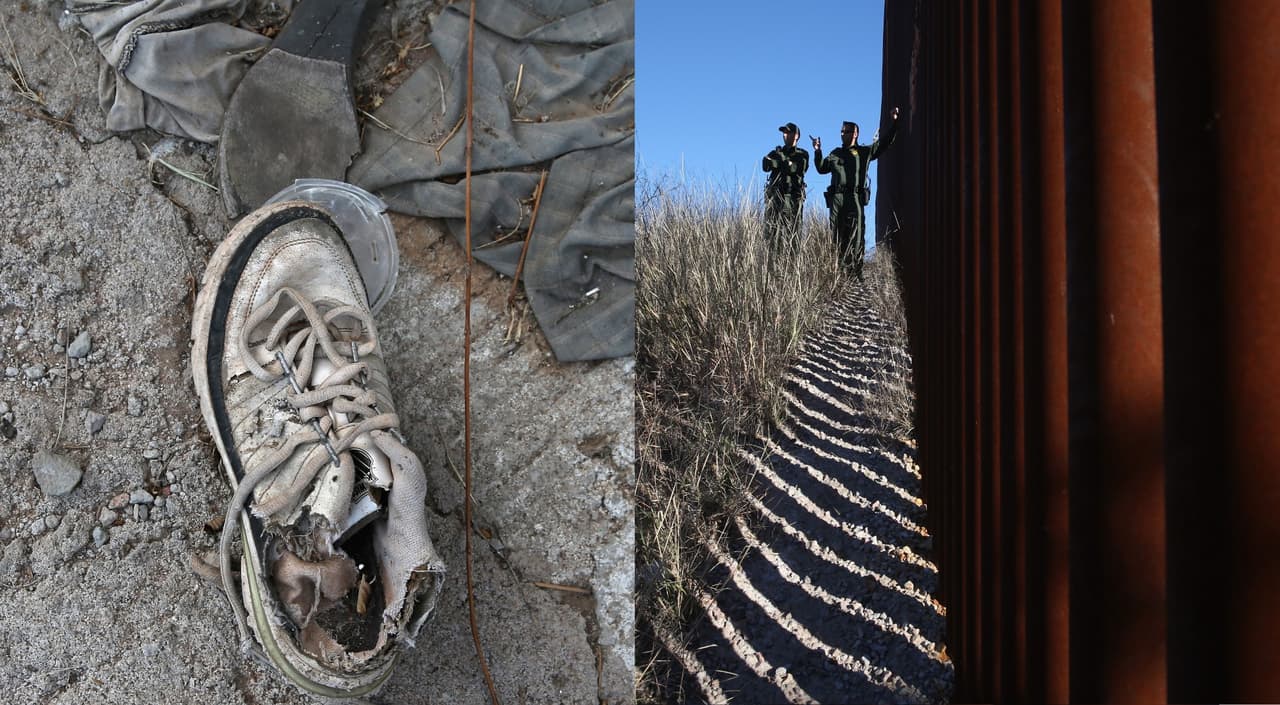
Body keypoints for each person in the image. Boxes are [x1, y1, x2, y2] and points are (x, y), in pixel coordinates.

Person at [813, 106, 900, 279]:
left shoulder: (864, 152)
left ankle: (856, 271)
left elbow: (884, 143)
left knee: (857, 233)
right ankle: (839, 271)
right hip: (837, 198)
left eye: (845, 131)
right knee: (837, 235)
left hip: (855, 197)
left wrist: (895, 122)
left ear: (855, 134)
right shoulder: (835, 153)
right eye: (841, 131)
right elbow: (821, 168)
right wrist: (817, 151)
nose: (842, 134)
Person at [762, 122, 810, 246]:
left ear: (796, 136)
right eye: (784, 132)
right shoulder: (776, 152)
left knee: (793, 232)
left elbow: (796, 168)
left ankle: (792, 262)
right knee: (771, 232)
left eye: (788, 132)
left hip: (792, 197)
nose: (785, 135)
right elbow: (765, 165)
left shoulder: (802, 154)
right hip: (775, 196)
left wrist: (778, 163)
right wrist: (783, 163)